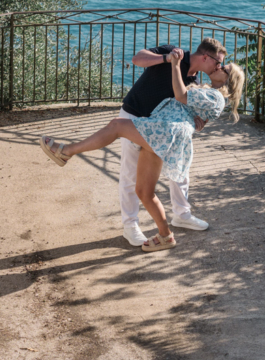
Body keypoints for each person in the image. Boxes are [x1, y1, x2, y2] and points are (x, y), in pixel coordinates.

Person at [40, 51, 244, 251]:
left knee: (117, 126)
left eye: (224, 68)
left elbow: (181, 95)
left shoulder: (216, 97)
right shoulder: (206, 89)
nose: (220, 66)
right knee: (144, 192)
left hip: (165, 131)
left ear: (229, 80)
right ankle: (166, 236)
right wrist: (197, 121)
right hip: (163, 130)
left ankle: (66, 151)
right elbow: (196, 113)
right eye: (221, 63)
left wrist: (174, 65)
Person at [117, 38, 225, 245]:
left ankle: (182, 215)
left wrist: (196, 123)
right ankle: (130, 225)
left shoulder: (194, 83)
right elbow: (137, 58)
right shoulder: (172, 53)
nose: (218, 67)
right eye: (217, 62)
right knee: (130, 174)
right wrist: (167, 59)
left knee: (180, 170)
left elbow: (187, 107)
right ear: (205, 57)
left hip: (162, 130)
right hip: (134, 117)